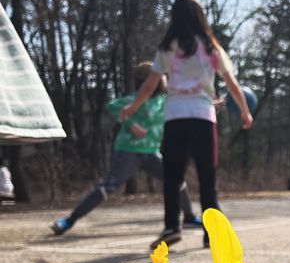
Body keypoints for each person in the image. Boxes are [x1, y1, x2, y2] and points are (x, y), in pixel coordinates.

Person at [122, 0, 252, 250]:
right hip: (203, 117)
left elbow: (151, 83)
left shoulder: (168, 47)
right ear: (199, 16)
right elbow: (232, 84)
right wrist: (245, 112)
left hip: (176, 118)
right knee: (207, 176)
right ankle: (211, 232)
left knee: (173, 176)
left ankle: (172, 226)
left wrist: (133, 106)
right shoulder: (212, 48)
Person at [50, 62, 199, 235]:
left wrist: (212, 105)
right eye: (163, 77)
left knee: (177, 179)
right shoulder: (135, 100)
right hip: (128, 151)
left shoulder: (165, 101)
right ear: (151, 81)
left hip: (151, 153)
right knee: (107, 187)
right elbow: (112, 106)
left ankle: (188, 217)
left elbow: (189, 105)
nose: (166, 79)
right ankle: (68, 221)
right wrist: (130, 123)